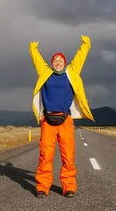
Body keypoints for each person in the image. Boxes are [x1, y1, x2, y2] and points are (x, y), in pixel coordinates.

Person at [29, 35, 95, 198]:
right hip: (48, 120)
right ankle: (42, 187)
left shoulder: (71, 72)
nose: (58, 62)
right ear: (52, 63)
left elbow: (80, 59)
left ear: (64, 63)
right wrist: (33, 48)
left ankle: (69, 187)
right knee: (45, 155)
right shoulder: (45, 72)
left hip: (65, 120)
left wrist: (85, 44)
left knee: (68, 155)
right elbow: (37, 60)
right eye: (55, 60)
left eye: (61, 60)